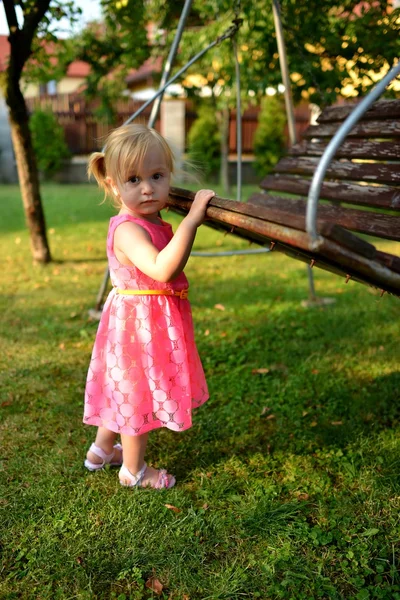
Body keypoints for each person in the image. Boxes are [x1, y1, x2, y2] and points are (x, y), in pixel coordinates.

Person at [83, 123, 215, 489]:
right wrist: (192, 221)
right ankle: (133, 471)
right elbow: (162, 269)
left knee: (125, 388)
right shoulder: (129, 229)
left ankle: (101, 450)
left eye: (157, 176)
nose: (147, 188)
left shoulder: (152, 220)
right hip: (135, 328)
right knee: (134, 395)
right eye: (133, 179)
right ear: (113, 185)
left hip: (149, 323)